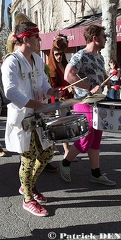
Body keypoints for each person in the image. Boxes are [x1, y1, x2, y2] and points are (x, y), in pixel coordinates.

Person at [1, 20, 61, 217]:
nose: (40, 40)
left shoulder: (37, 59)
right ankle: (28, 198)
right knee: (28, 157)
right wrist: (35, 104)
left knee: (47, 153)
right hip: (23, 118)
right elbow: (10, 92)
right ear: (26, 39)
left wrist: (51, 91)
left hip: (39, 116)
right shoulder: (12, 61)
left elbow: (43, 84)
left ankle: (28, 186)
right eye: (37, 37)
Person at [61, 24, 116, 187]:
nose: (106, 38)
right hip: (83, 102)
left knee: (96, 139)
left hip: (98, 103)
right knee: (86, 139)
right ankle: (65, 163)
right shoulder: (81, 55)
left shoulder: (99, 57)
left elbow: (100, 75)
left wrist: (108, 79)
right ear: (95, 38)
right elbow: (68, 75)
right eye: (103, 35)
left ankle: (96, 173)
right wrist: (89, 87)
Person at [46, 34, 77, 168]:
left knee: (65, 126)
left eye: (60, 54)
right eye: (57, 54)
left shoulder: (65, 65)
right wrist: (65, 89)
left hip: (66, 101)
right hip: (56, 101)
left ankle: (66, 151)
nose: (59, 56)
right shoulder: (51, 68)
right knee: (55, 127)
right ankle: (51, 151)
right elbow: (51, 87)